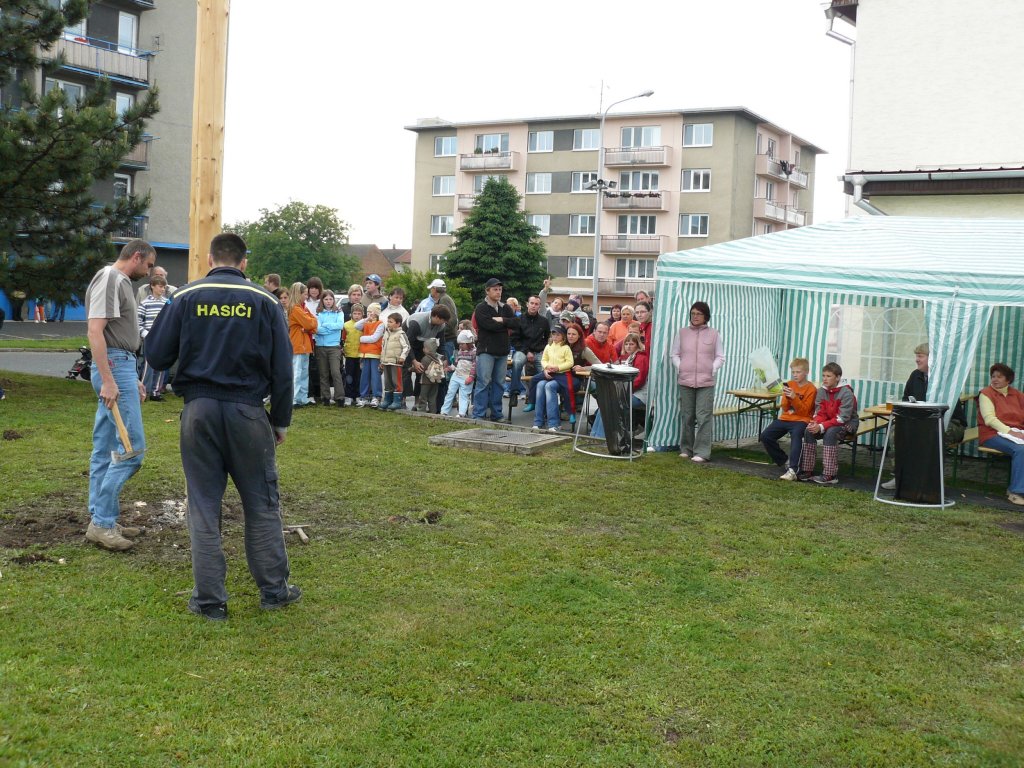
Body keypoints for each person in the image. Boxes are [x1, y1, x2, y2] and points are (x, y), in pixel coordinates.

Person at [145, 233, 300, 620]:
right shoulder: (265, 301)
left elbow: (156, 354)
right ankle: (274, 590)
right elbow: (283, 370)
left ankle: (210, 600)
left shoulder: (184, 297)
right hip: (248, 412)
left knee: (202, 506)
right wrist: (280, 420)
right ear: (244, 263)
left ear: (210, 259)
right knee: (262, 504)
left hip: (198, 411)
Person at [84, 238, 156, 551]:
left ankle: (102, 518)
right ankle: (102, 522)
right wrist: (109, 379)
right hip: (114, 366)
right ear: (136, 256)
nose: (149, 272)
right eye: (149, 265)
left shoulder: (120, 281)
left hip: (121, 366)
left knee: (104, 448)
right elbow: (95, 330)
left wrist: (131, 378)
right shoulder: (111, 278)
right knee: (132, 450)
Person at [880, 342, 968, 489]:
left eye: (920, 356)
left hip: (950, 422)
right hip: (920, 421)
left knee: (930, 435)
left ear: (931, 359)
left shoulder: (943, 378)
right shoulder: (915, 376)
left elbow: (946, 408)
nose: (917, 359)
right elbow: (906, 399)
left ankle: (926, 481)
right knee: (896, 432)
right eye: (916, 356)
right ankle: (899, 476)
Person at [670, 301, 725, 463]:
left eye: (699, 314)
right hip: (685, 380)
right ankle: (686, 449)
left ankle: (702, 452)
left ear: (706, 316)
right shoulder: (682, 333)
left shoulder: (714, 334)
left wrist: (712, 368)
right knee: (687, 416)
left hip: (706, 381)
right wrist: (680, 366)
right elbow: (674, 354)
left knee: (703, 416)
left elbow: (720, 356)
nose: (695, 316)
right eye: (693, 313)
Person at [799, 362, 859, 485]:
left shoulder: (846, 393)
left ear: (838, 377)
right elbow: (820, 413)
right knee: (809, 430)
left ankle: (830, 474)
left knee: (830, 433)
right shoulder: (821, 391)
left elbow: (842, 418)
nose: (825, 379)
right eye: (823, 376)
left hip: (847, 424)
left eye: (828, 376)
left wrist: (821, 426)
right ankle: (807, 470)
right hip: (829, 422)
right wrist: (815, 424)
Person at [760, 358, 817, 481]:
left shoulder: (811, 389)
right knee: (765, 436)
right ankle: (785, 461)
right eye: (793, 372)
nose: (795, 375)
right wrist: (787, 397)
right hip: (786, 418)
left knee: (796, 435)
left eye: (798, 372)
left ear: (806, 372)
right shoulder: (789, 384)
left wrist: (794, 398)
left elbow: (805, 411)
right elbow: (785, 407)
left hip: (802, 420)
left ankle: (793, 470)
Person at [978, 362, 1024, 506]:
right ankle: (1016, 492)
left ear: (1008, 380)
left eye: (999, 377)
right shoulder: (986, 394)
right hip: (991, 434)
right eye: (993, 376)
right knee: (1021, 450)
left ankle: (1014, 487)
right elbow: (989, 419)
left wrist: (1016, 432)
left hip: (1016, 432)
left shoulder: (1017, 394)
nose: (995, 379)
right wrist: (1010, 431)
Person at [591, 332, 651, 439]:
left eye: (631, 344)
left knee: (612, 405)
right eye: (626, 344)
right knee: (606, 404)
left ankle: (601, 437)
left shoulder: (641, 358)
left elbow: (639, 380)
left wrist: (621, 391)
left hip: (640, 394)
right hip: (629, 391)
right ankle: (594, 435)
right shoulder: (629, 357)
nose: (628, 346)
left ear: (637, 345)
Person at [472, 278, 515, 420]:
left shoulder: (506, 308)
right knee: (483, 383)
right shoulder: (481, 308)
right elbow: (487, 325)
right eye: (495, 289)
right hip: (486, 351)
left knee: (499, 384)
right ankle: (478, 414)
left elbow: (516, 323)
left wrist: (501, 320)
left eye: (500, 289)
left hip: (502, 351)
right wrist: (505, 324)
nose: (498, 292)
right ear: (487, 291)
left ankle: (496, 414)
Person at [507, 294, 548, 404]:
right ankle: (514, 393)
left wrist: (542, 349)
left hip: (538, 352)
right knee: (517, 363)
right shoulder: (518, 319)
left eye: (536, 304)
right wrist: (527, 351)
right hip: (522, 350)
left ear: (539, 306)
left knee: (545, 370)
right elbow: (514, 339)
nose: (534, 306)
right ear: (527, 304)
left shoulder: (544, 321)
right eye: (532, 303)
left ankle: (542, 397)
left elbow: (547, 338)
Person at [532, 325, 573, 433]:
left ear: (563, 336)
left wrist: (558, 368)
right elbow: (544, 359)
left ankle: (554, 423)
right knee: (539, 384)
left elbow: (570, 363)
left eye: (558, 334)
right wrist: (546, 368)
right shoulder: (548, 346)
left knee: (549, 386)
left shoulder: (566, 347)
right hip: (549, 373)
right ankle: (538, 421)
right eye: (553, 334)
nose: (555, 336)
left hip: (561, 375)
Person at [137, 274, 171, 401]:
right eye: (160, 286)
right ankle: (144, 391)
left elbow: (170, 320)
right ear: (152, 286)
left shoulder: (167, 302)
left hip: (163, 337)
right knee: (148, 365)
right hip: (150, 338)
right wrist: (146, 334)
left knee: (161, 365)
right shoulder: (145, 303)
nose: (163, 289)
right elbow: (138, 322)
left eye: (164, 287)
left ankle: (156, 392)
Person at [286, 282, 317, 407]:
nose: (306, 296)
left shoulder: (303, 308)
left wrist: (310, 325)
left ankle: (302, 398)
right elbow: (310, 323)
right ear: (298, 294)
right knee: (297, 373)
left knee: (304, 373)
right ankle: (293, 399)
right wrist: (310, 324)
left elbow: (314, 323)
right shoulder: (295, 308)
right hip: (297, 344)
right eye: (305, 294)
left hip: (305, 344)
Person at [313, 289, 344, 406]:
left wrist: (326, 326)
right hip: (320, 346)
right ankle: (325, 397)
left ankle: (339, 397)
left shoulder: (338, 313)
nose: (328, 301)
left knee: (336, 372)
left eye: (331, 299)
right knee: (323, 373)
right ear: (322, 300)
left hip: (334, 347)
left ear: (333, 300)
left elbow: (340, 325)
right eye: (326, 299)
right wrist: (331, 329)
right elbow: (317, 329)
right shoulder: (318, 313)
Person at [379, 312, 410, 410]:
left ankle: (397, 401)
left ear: (398, 324)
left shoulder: (401, 334)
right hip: (386, 362)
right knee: (387, 381)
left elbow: (407, 347)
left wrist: (402, 357)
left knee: (396, 382)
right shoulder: (386, 333)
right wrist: (382, 361)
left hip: (396, 362)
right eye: (388, 321)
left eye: (391, 322)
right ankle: (387, 400)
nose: (388, 323)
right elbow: (383, 347)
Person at [441, 329, 476, 417]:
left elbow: (475, 366)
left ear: (468, 343)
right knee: (450, 393)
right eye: (459, 344)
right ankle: (444, 411)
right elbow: (456, 364)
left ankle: (461, 413)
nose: (460, 346)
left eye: (462, 344)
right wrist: (450, 368)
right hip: (456, 375)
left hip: (466, 377)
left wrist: (471, 377)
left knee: (464, 395)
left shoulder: (474, 353)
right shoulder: (460, 352)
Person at [356, 302, 384, 407]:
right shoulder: (366, 322)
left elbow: (374, 338)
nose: (369, 314)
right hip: (365, 354)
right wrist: (366, 319)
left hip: (375, 354)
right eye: (367, 312)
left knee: (375, 376)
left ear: (376, 313)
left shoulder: (380, 324)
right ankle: (363, 396)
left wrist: (361, 339)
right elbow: (356, 326)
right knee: (364, 376)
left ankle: (377, 396)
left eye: (371, 312)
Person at [341, 302, 364, 406]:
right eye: (355, 313)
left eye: (359, 314)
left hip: (360, 355)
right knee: (349, 376)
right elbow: (343, 338)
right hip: (349, 354)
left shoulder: (365, 325)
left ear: (362, 314)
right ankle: (349, 396)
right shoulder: (346, 325)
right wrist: (343, 348)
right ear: (351, 314)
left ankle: (358, 395)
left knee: (359, 376)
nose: (357, 316)